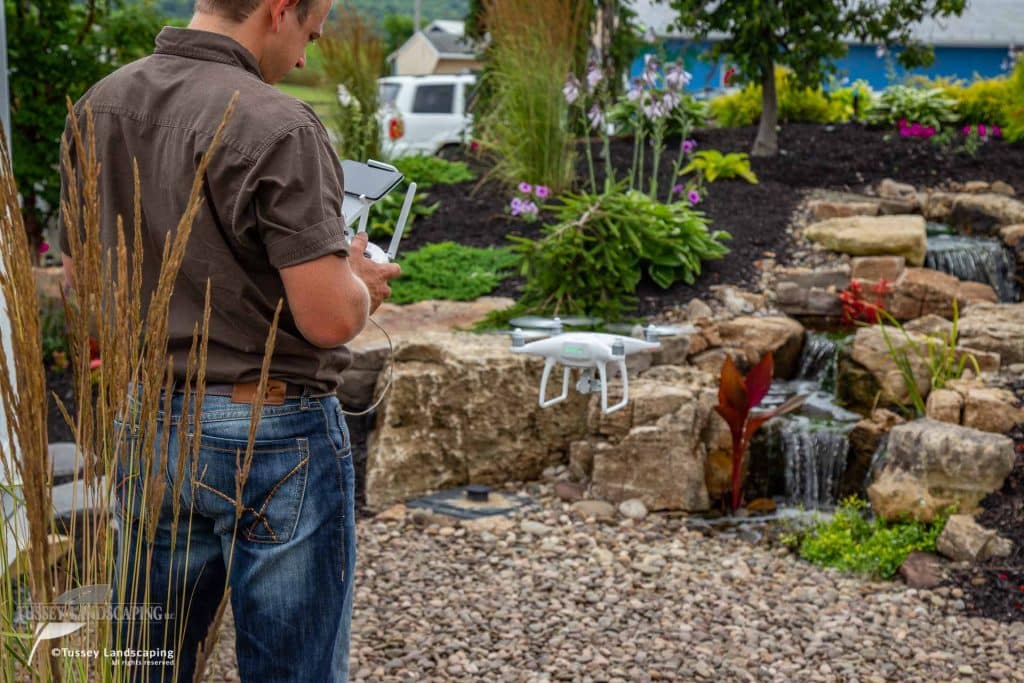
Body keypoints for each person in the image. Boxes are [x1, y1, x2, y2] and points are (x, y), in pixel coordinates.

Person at [58, 0, 400, 680]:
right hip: (270, 430)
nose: (305, 56)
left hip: (148, 420)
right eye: (310, 31)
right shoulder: (278, 123)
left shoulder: (99, 106)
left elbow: (80, 286)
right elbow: (331, 320)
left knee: (147, 664)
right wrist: (359, 280)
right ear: (278, 11)